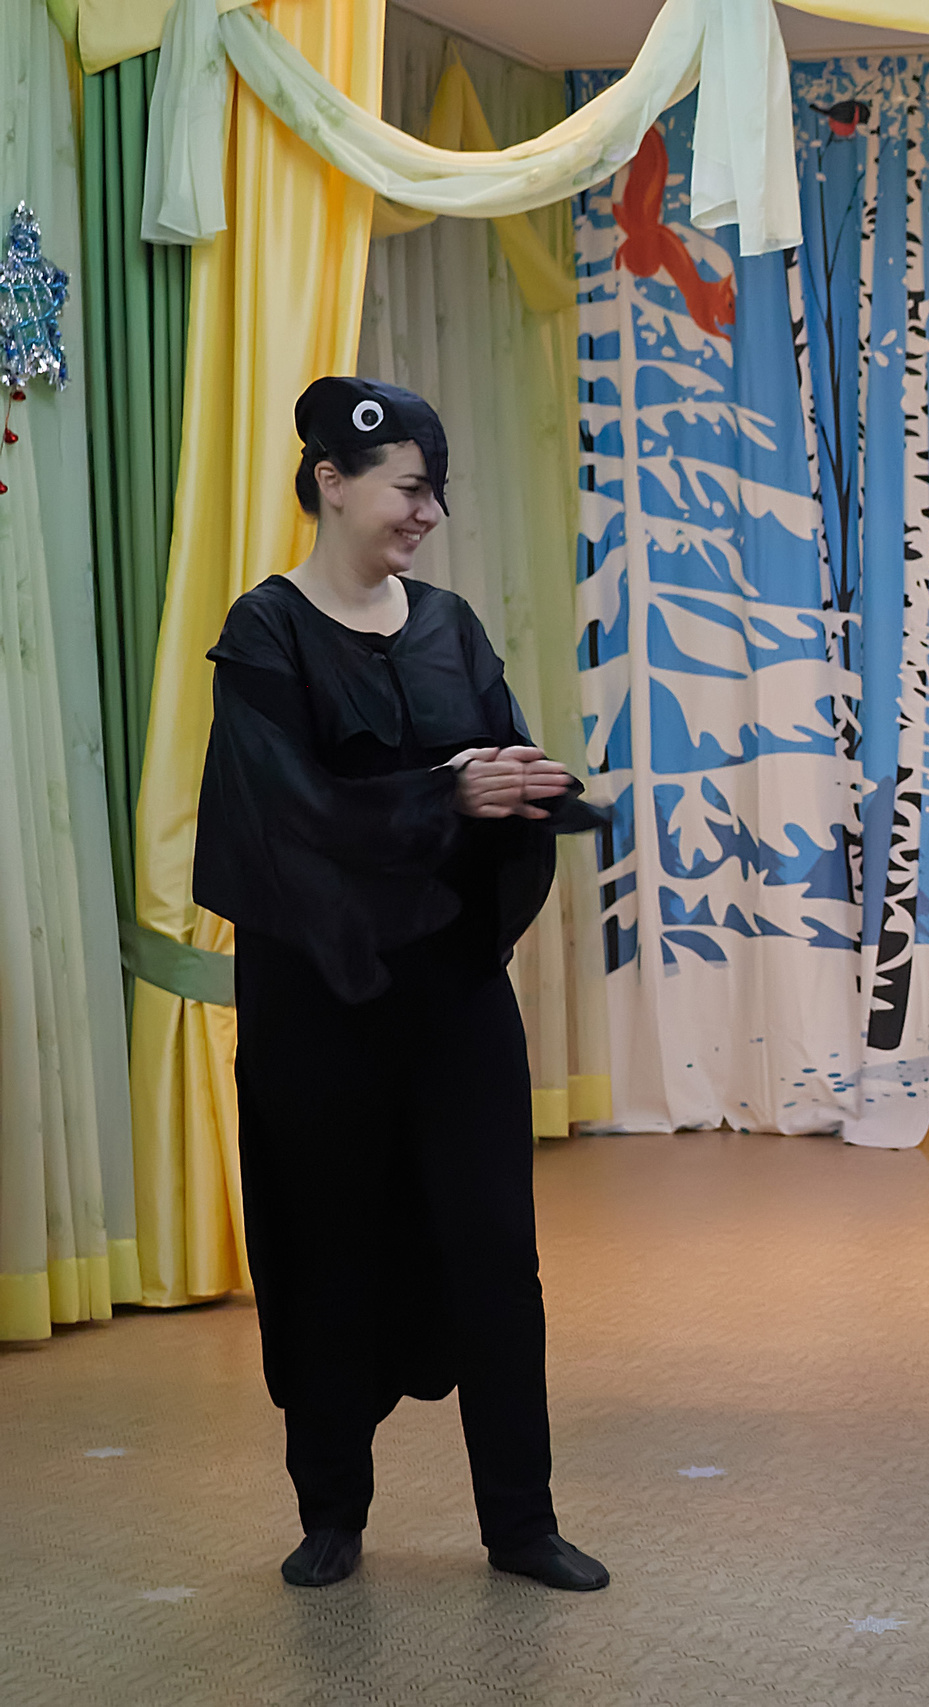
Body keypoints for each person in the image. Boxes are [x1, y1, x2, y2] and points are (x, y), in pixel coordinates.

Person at [195, 376, 611, 1593]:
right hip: (318, 1009)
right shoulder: (266, 631)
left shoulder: (450, 627)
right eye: (410, 489)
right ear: (332, 482)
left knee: (496, 1252)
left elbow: (493, 764)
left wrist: (531, 789)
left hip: (450, 996)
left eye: (438, 492)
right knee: (324, 1243)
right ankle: (332, 1511)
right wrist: (444, 792)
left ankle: (521, 1524)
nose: (429, 513)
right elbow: (282, 819)